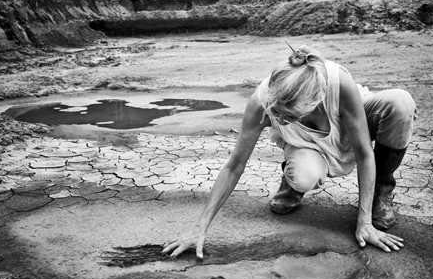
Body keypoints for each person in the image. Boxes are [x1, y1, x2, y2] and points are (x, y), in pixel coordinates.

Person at [163, 43, 416, 258]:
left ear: (313, 103)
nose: (278, 119)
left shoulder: (339, 84)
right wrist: (201, 227)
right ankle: (291, 182)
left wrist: (365, 223)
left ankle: (380, 194)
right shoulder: (263, 102)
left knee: (401, 103)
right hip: (307, 145)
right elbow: (233, 166)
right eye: (276, 114)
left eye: (288, 116)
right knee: (303, 175)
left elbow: (363, 153)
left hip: (346, 125)